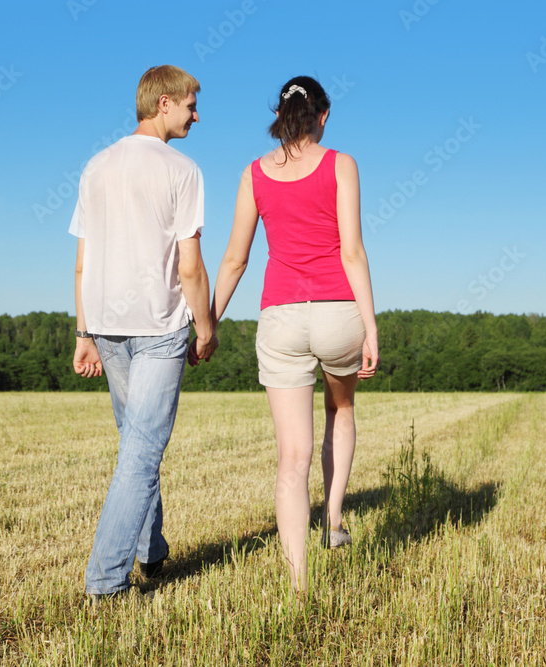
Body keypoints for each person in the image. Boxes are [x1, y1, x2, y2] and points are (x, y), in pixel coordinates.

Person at [210, 75, 379, 591]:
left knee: (291, 458)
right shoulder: (341, 165)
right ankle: (332, 523)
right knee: (340, 409)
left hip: (281, 317)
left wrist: (208, 322)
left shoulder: (253, 175)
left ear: (279, 118)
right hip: (336, 313)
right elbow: (352, 251)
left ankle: (298, 581)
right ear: (322, 116)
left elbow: (236, 259)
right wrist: (370, 327)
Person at [70, 65, 217, 599]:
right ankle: (105, 583)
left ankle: (150, 552)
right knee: (141, 452)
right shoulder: (183, 170)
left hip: (106, 326)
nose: (196, 115)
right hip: (158, 327)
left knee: (137, 444)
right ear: (163, 103)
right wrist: (206, 328)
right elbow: (190, 268)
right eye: (191, 105)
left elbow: (83, 262)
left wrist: (84, 331)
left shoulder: (95, 166)